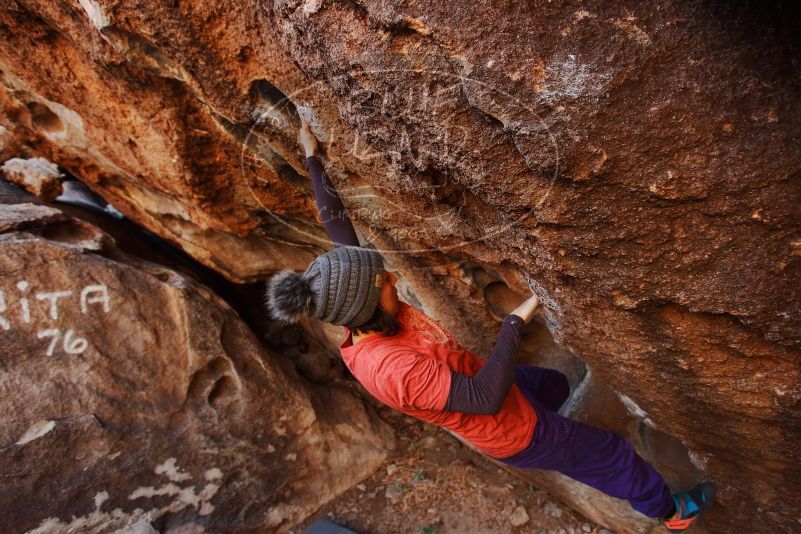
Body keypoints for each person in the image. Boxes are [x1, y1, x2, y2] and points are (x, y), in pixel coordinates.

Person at [266, 119, 715, 532]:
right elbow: (484, 397)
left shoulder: (356, 309)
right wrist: (514, 324)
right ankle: (670, 512)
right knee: (610, 455)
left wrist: (311, 157)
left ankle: (563, 430)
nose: (394, 280)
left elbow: (342, 235)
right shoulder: (391, 369)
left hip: (491, 387)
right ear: (365, 304)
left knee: (554, 384)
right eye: (385, 283)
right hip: (510, 428)